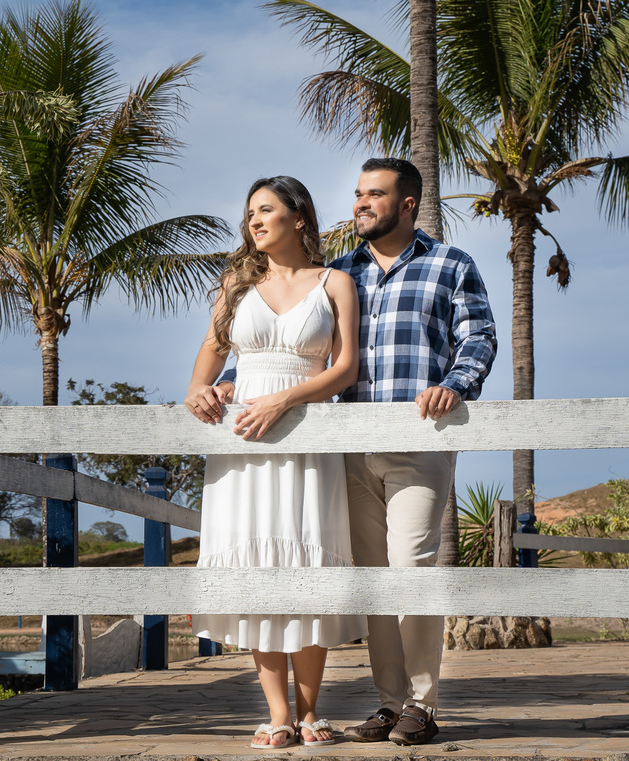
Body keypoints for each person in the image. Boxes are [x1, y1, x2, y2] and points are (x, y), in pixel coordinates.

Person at [190, 158, 498, 746]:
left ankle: (421, 704)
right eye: (358, 193)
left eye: (374, 194)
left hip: (416, 439)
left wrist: (455, 386)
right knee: (372, 577)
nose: (360, 203)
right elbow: (271, 346)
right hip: (345, 448)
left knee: (411, 568)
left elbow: (478, 336)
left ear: (407, 203)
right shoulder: (343, 271)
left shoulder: (449, 264)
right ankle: (390, 703)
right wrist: (226, 385)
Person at [185, 175, 365, 749]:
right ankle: (278, 712)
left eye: (266, 210)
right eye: (250, 214)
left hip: (307, 434)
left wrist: (284, 400)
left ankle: (311, 712)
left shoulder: (335, 282)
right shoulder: (235, 284)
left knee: (307, 560)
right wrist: (200, 389)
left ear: (299, 216)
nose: (255, 221)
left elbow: (344, 369)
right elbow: (211, 354)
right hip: (243, 441)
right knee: (257, 566)